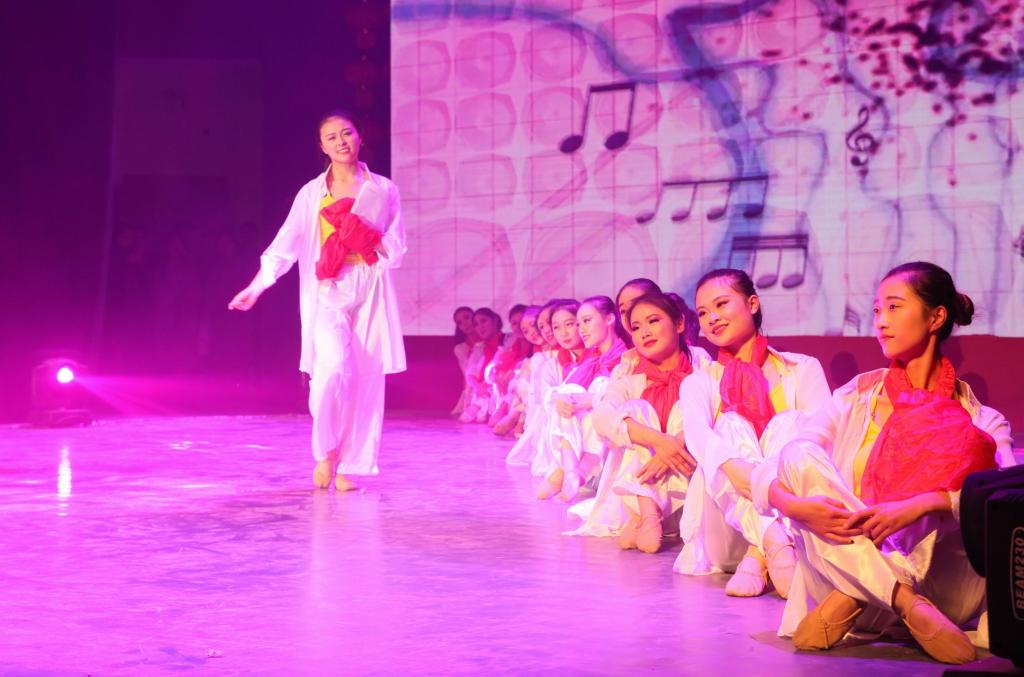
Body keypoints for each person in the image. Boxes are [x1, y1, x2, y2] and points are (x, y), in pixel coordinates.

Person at [759, 262, 1014, 664]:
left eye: (894, 307)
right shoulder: (856, 396)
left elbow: (1006, 504)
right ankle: (902, 598)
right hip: (848, 567)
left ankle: (867, 593)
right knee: (797, 452)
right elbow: (774, 469)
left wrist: (924, 504)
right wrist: (795, 507)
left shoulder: (982, 420)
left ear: (936, 317)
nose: (880, 321)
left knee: (958, 456)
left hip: (942, 587)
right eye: (877, 310)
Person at [228, 109, 406, 491]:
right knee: (332, 371)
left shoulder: (383, 189)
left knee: (364, 377)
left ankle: (348, 465)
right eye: (332, 137)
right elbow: (286, 244)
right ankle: (326, 452)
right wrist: (257, 286)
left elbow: (397, 247)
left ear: (360, 137)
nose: (341, 141)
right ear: (322, 146)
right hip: (327, 287)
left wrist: (369, 238)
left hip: (369, 286)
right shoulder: (312, 194)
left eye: (347, 133)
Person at [673, 269, 830, 599]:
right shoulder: (699, 382)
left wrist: (762, 483)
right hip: (726, 528)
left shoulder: (802, 368)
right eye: (703, 312)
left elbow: (823, 438)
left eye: (721, 304)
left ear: (753, 304)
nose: (712, 318)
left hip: (796, 520)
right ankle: (771, 538)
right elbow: (698, 437)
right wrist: (736, 469)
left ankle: (761, 551)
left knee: (790, 423)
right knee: (731, 425)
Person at [570, 291, 711, 549]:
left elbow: (713, 413)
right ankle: (647, 513)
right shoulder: (629, 371)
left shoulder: (699, 361)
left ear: (679, 323)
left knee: (688, 406)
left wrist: (671, 448)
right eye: (636, 327)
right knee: (636, 409)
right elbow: (602, 416)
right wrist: (659, 442)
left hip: (688, 482)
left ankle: (642, 517)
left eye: (653, 321)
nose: (644, 332)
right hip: (639, 486)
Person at [536, 295, 628, 501]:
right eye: (578, 324)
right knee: (567, 391)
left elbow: (627, 396)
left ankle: (574, 470)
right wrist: (563, 399)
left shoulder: (626, 356)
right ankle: (570, 470)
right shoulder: (591, 360)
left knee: (597, 386)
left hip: (614, 425)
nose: (582, 329)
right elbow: (559, 392)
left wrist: (592, 400)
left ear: (609, 319)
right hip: (588, 429)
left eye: (586, 321)